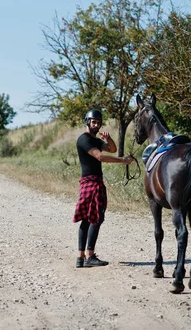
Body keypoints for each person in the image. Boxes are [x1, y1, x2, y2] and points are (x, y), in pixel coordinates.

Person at [74, 109, 133, 268]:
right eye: (94, 122)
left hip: (93, 182)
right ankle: (89, 256)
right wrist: (122, 160)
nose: (96, 125)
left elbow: (112, 149)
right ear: (87, 121)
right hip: (91, 183)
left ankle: (81, 258)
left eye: (99, 122)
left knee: (88, 218)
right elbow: (100, 156)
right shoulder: (84, 140)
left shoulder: (95, 140)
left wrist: (108, 138)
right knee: (95, 218)